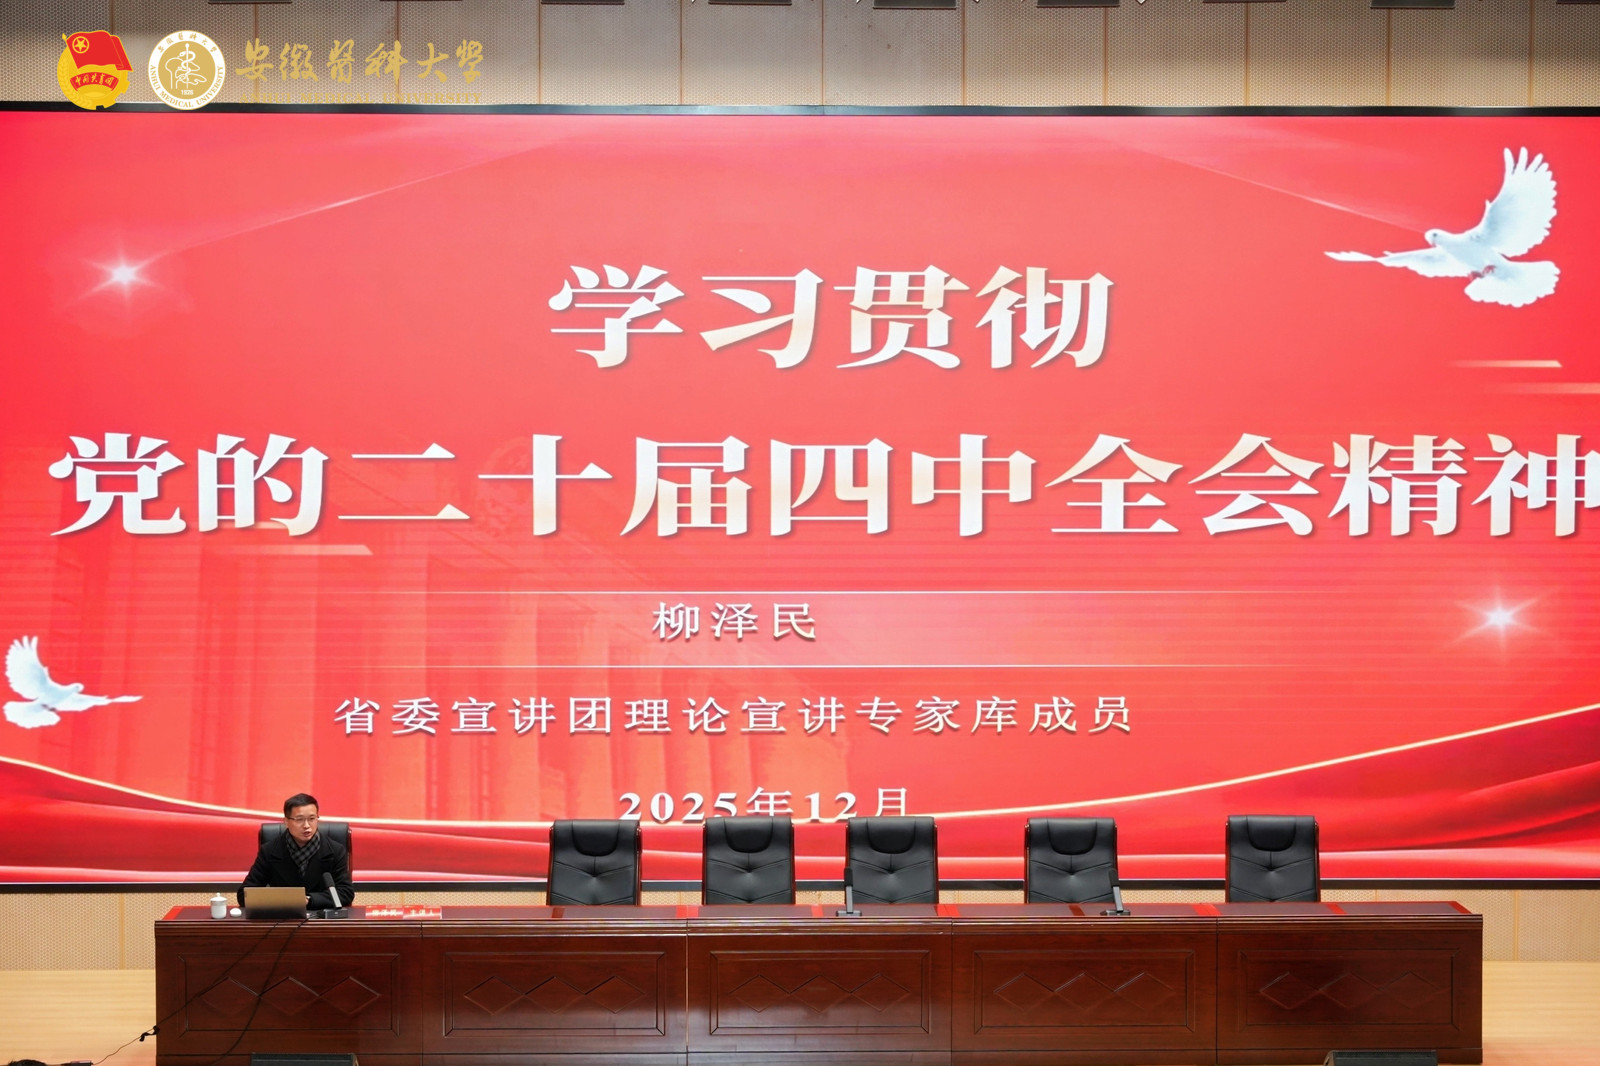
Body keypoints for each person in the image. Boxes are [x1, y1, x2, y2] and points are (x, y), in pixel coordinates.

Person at [238, 792, 355, 910]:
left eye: (312, 819)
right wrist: (286, 900)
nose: (307, 825)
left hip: (321, 916)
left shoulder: (335, 850)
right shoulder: (269, 851)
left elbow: (346, 893)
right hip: (284, 916)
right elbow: (244, 895)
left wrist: (309, 900)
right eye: (299, 820)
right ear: (286, 822)